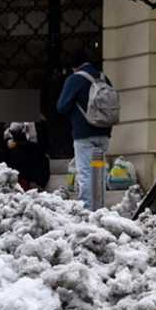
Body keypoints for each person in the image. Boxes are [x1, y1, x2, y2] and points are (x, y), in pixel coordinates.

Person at [56, 51, 115, 207]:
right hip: (104, 133)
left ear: (74, 66)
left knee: (86, 173)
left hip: (84, 135)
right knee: (99, 172)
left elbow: (61, 107)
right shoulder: (103, 78)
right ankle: (99, 206)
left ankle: (88, 210)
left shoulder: (75, 79)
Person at [3, 122, 49, 191]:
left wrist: (18, 143)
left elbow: (40, 143)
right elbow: (7, 140)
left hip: (33, 152)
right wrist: (9, 142)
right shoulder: (11, 125)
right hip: (17, 154)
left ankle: (28, 184)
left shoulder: (39, 123)